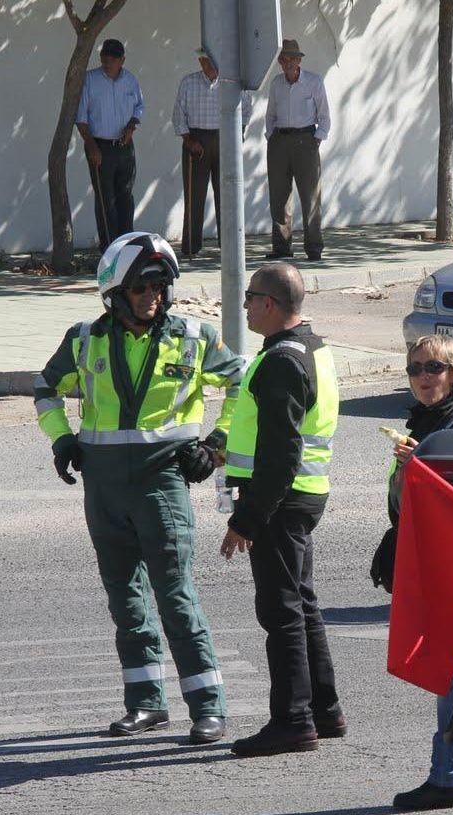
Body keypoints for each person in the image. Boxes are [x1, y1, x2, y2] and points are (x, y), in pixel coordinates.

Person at [33, 232, 245, 745]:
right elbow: (46, 389)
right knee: (125, 601)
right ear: (115, 294)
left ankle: (208, 707)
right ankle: (146, 703)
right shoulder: (84, 338)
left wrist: (216, 444)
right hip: (103, 488)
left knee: (175, 596)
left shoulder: (194, 336)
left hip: (161, 484)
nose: (152, 295)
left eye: (159, 286)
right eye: (141, 287)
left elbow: (243, 384)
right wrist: (62, 440)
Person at [219, 262, 343, 756]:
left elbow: (280, 454)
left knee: (281, 611)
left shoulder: (281, 361)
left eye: (250, 297)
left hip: (280, 502)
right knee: (302, 604)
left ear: (269, 304)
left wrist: (247, 519)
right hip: (302, 496)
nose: (245, 306)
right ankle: (324, 710)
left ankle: (293, 720)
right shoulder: (314, 349)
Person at [370, 336, 453, 810]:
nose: (424, 376)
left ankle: (448, 776)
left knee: (451, 668)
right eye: (415, 368)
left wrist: (422, 466)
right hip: (433, 558)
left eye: (435, 368)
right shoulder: (426, 424)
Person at [171, 49, 250, 258]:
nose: (211, 65)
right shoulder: (188, 82)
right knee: (194, 195)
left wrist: (238, 134)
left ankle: (229, 244)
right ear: (200, 61)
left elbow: (246, 108)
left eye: (214, 60)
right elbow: (178, 115)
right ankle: (191, 245)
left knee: (227, 194)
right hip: (196, 140)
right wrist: (188, 140)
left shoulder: (232, 82)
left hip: (225, 138)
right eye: (206, 60)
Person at [263, 39, 330, 262]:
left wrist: (316, 140)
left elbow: (324, 116)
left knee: (311, 196)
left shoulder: (314, 81)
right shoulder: (276, 83)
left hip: (306, 140)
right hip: (280, 141)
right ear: (280, 62)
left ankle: (314, 247)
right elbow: (270, 114)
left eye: (292, 58)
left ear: (299, 60)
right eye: (284, 59)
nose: (288, 63)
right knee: (279, 196)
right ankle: (281, 247)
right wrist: (271, 137)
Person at [77, 39, 144, 248]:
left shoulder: (130, 80)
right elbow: (81, 117)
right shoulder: (90, 80)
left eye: (113, 59)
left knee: (125, 196)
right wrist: (92, 146)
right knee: (106, 200)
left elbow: (139, 107)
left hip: (125, 146)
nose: (108, 62)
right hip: (100, 146)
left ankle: (127, 245)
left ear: (122, 60)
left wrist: (132, 126)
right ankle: (109, 248)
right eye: (105, 57)